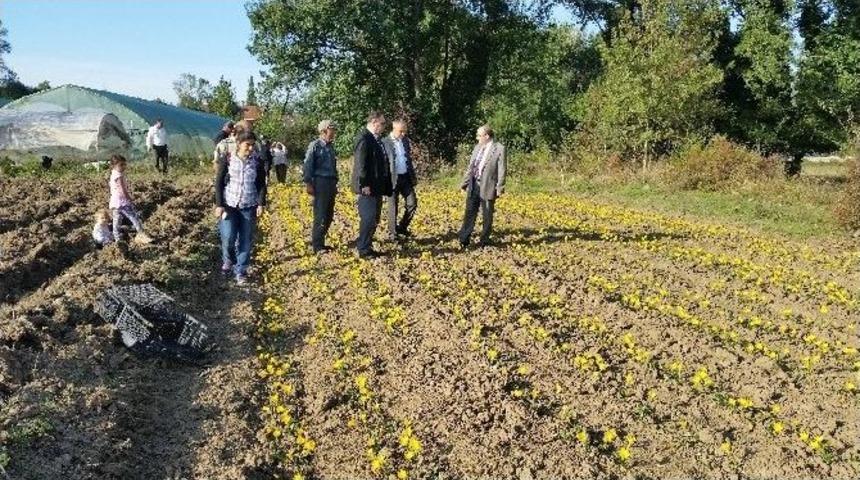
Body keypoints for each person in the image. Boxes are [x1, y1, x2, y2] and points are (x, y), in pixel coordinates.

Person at [214, 131, 267, 285]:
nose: (250, 148)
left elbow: (261, 184)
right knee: (228, 237)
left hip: (248, 206)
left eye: (252, 145)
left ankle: (241, 271)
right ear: (238, 144)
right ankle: (228, 260)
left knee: (245, 240)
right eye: (247, 145)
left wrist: (261, 203)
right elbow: (218, 183)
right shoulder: (228, 159)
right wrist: (219, 205)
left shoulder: (257, 162)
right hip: (229, 205)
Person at [351, 111, 392, 259]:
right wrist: (364, 184)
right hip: (367, 187)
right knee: (368, 218)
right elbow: (361, 164)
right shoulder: (364, 138)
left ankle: (367, 245)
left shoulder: (376, 140)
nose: (383, 127)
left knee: (375, 218)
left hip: (377, 186)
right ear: (374, 122)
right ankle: (363, 249)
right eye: (382, 123)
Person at [458, 124, 506, 248]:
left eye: (479, 135)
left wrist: (500, 187)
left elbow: (502, 169)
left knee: (487, 214)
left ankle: (484, 240)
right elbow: (471, 167)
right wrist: (464, 183)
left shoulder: (499, 148)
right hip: (474, 184)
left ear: (487, 136)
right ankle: (464, 239)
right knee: (469, 212)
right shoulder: (477, 147)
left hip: (489, 185)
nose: (477, 138)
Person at [303, 120, 338, 253]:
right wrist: (308, 183)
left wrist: (335, 183)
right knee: (321, 214)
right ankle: (317, 245)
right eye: (331, 129)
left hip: (331, 182)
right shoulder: (315, 146)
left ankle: (321, 242)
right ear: (324, 131)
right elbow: (308, 165)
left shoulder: (330, 147)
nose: (333, 132)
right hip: (320, 182)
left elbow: (333, 167)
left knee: (329, 214)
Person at [382, 119, 418, 241]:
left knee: (412, 203)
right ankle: (392, 234)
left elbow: (408, 159)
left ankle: (402, 227)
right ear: (394, 129)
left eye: (404, 131)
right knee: (393, 207)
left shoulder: (405, 141)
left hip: (405, 177)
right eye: (401, 131)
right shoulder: (385, 142)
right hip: (392, 179)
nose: (403, 134)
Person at [108, 154, 153, 244]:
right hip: (122, 202)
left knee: (117, 221)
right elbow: (122, 190)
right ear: (113, 165)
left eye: (124, 164)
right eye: (121, 165)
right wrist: (129, 198)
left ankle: (117, 239)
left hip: (115, 202)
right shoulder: (118, 176)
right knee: (134, 218)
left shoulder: (113, 174)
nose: (123, 167)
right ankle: (141, 234)